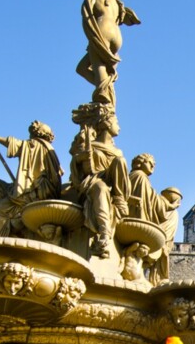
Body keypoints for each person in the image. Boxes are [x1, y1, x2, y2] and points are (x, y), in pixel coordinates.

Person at [0, 121, 63, 237]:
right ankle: (9, 227)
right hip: (28, 190)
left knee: (0, 209)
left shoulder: (35, 144)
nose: (35, 124)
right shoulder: (49, 150)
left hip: (30, 194)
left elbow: (15, 144)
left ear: (39, 132)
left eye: (37, 125)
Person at [69, 104, 130, 257]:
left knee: (120, 161)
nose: (119, 128)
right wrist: (80, 158)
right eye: (117, 123)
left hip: (112, 186)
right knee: (101, 188)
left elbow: (119, 172)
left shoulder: (117, 152)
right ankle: (104, 233)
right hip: (91, 183)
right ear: (107, 123)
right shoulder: (90, 145)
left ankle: (120, 198)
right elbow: (77, 170)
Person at [76, 0, 140, 107]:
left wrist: (93, 36)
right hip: (117, 35)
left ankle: (103, 92)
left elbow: (88, 16)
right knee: (82, 68)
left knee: (95, 66)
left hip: (103, 29)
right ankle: (106, 86)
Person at [127, 153, 181, 282]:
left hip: (138, 215)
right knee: (172, 215)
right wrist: (170, 206)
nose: (152, 165)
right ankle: (161, 255)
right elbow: (151, 200)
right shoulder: (140, 177)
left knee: (173, 215)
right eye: (149, 162)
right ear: (140, 162)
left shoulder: (140, 178)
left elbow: (151, 198)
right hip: (137, 217)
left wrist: (168, 204)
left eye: (154, 164)